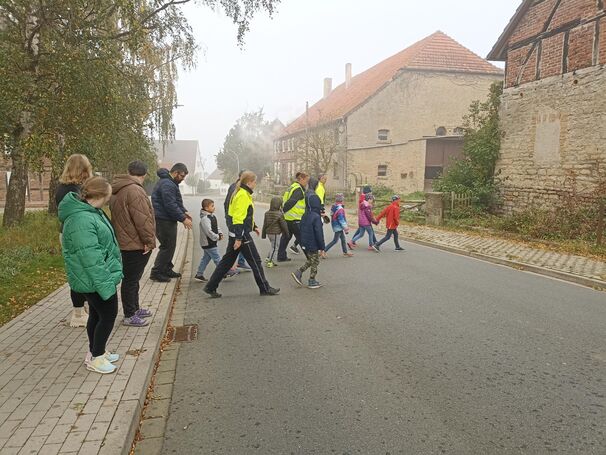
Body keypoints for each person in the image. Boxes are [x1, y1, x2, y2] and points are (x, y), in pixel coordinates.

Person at [58, 176, 122, 374]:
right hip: (94, 279)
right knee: (108, 314)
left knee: (96, 314)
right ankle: (96, 357)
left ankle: (96, 351)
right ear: (101, 195)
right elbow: (90, 257)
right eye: (109, 195)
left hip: (94, 278)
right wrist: (105, 285)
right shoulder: (82, 219)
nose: (110, 199)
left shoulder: (90, 212)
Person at [203, 171, 280, 298]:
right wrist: (239, 238)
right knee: (255, 261)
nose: (256, 184)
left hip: (237, 233)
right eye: (255, 181)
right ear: (249, 182)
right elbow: (239, 218)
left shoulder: (240, 193)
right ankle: (264, 288)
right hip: (241, 234)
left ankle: (210, 287)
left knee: (226, 262)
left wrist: (253, 226)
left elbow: (245, 215)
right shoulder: (243, 195)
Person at [109, 160, 156, 327]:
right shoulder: (135, 190)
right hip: (135, 243)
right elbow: (143, 220)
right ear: (144, 175)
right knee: (131, 279)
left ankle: (135, 308)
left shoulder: (118, 188)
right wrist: (149, 241)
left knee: (133, 278)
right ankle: (129, 314)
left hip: (124, 240)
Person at [55, 153, 93, 328]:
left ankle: (81, 309)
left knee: (81, 271)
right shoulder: (72, 190)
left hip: (69, 233)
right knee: (79, 273)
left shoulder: (63, 187)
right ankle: (78, 313)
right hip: (75, 235)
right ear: (83, 169)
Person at [150, 163, 192, 282]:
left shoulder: (170, 183)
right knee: (167, 246)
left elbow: (176, 202)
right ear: (175, 173)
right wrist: (183, 218)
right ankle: (156, 272)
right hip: (163, 220)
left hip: (167, 219)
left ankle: (167, 269)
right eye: (182, 176)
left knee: (171, 246)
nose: (183, 179)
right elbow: (170, 205)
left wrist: (184, 212)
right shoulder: (167, 184)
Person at [195, 198, 238, 282]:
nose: (214, 207)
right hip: (208, 242)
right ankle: (225, 272)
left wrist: (220, 233)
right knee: (217, 258)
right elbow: (208, 232)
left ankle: (199, 274)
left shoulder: (212, 217)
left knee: (206, 259)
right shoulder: (205, 219)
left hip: (210, 242)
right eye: (212, 206)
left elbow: (216, 227)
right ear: (206, 208)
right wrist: (217, 237)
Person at [291, 194, 325, 289]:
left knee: (311, 260)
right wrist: (322, 247)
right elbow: (319, 233)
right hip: (313, 243)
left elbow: (301, 228)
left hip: (305, 242)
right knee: (315, 261)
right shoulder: (316, 217)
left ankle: (298, 272)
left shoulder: (305, 215)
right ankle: (312, 280)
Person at [278, 172, 310, 261]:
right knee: (302, 238)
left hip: (288, 218)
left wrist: (283, 212)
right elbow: (292, 201)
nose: (307, 183)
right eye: (306, 180)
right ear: (301, 179)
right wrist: (283, 210)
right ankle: (310, 257)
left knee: (286, 237)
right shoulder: (298, 189)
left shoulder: (291, 187)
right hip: (295, 219)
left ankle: (281, 256)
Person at [225, 171, 250, 272]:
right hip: (236, 223)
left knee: (239, 244)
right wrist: (229, 220)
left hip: (238, 222)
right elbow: (228, 204)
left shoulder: (240, 189)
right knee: (233, 246)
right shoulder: (235, 188)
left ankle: (240, 262)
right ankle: (226, 268)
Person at [262, 196, 289, 268]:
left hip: (269, 233)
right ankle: (270, 261)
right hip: (276, 233)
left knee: (273, 246)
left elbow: (265, 224)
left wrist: (263, 234)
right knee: (275, 247)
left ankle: (268, 258)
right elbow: (284, 224)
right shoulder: (279, 214)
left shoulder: (267, 213)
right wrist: (287, 233)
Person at [324, 193, 353, 257]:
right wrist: (346, 228)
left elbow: (332, 215)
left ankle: (345, 252)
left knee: (343, 239)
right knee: (335, 240)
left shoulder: (334, 207)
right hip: (338, 226)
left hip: (335, 225)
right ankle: (324, 250)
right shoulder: (340, 209)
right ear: (342, 200)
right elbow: (341, 220)